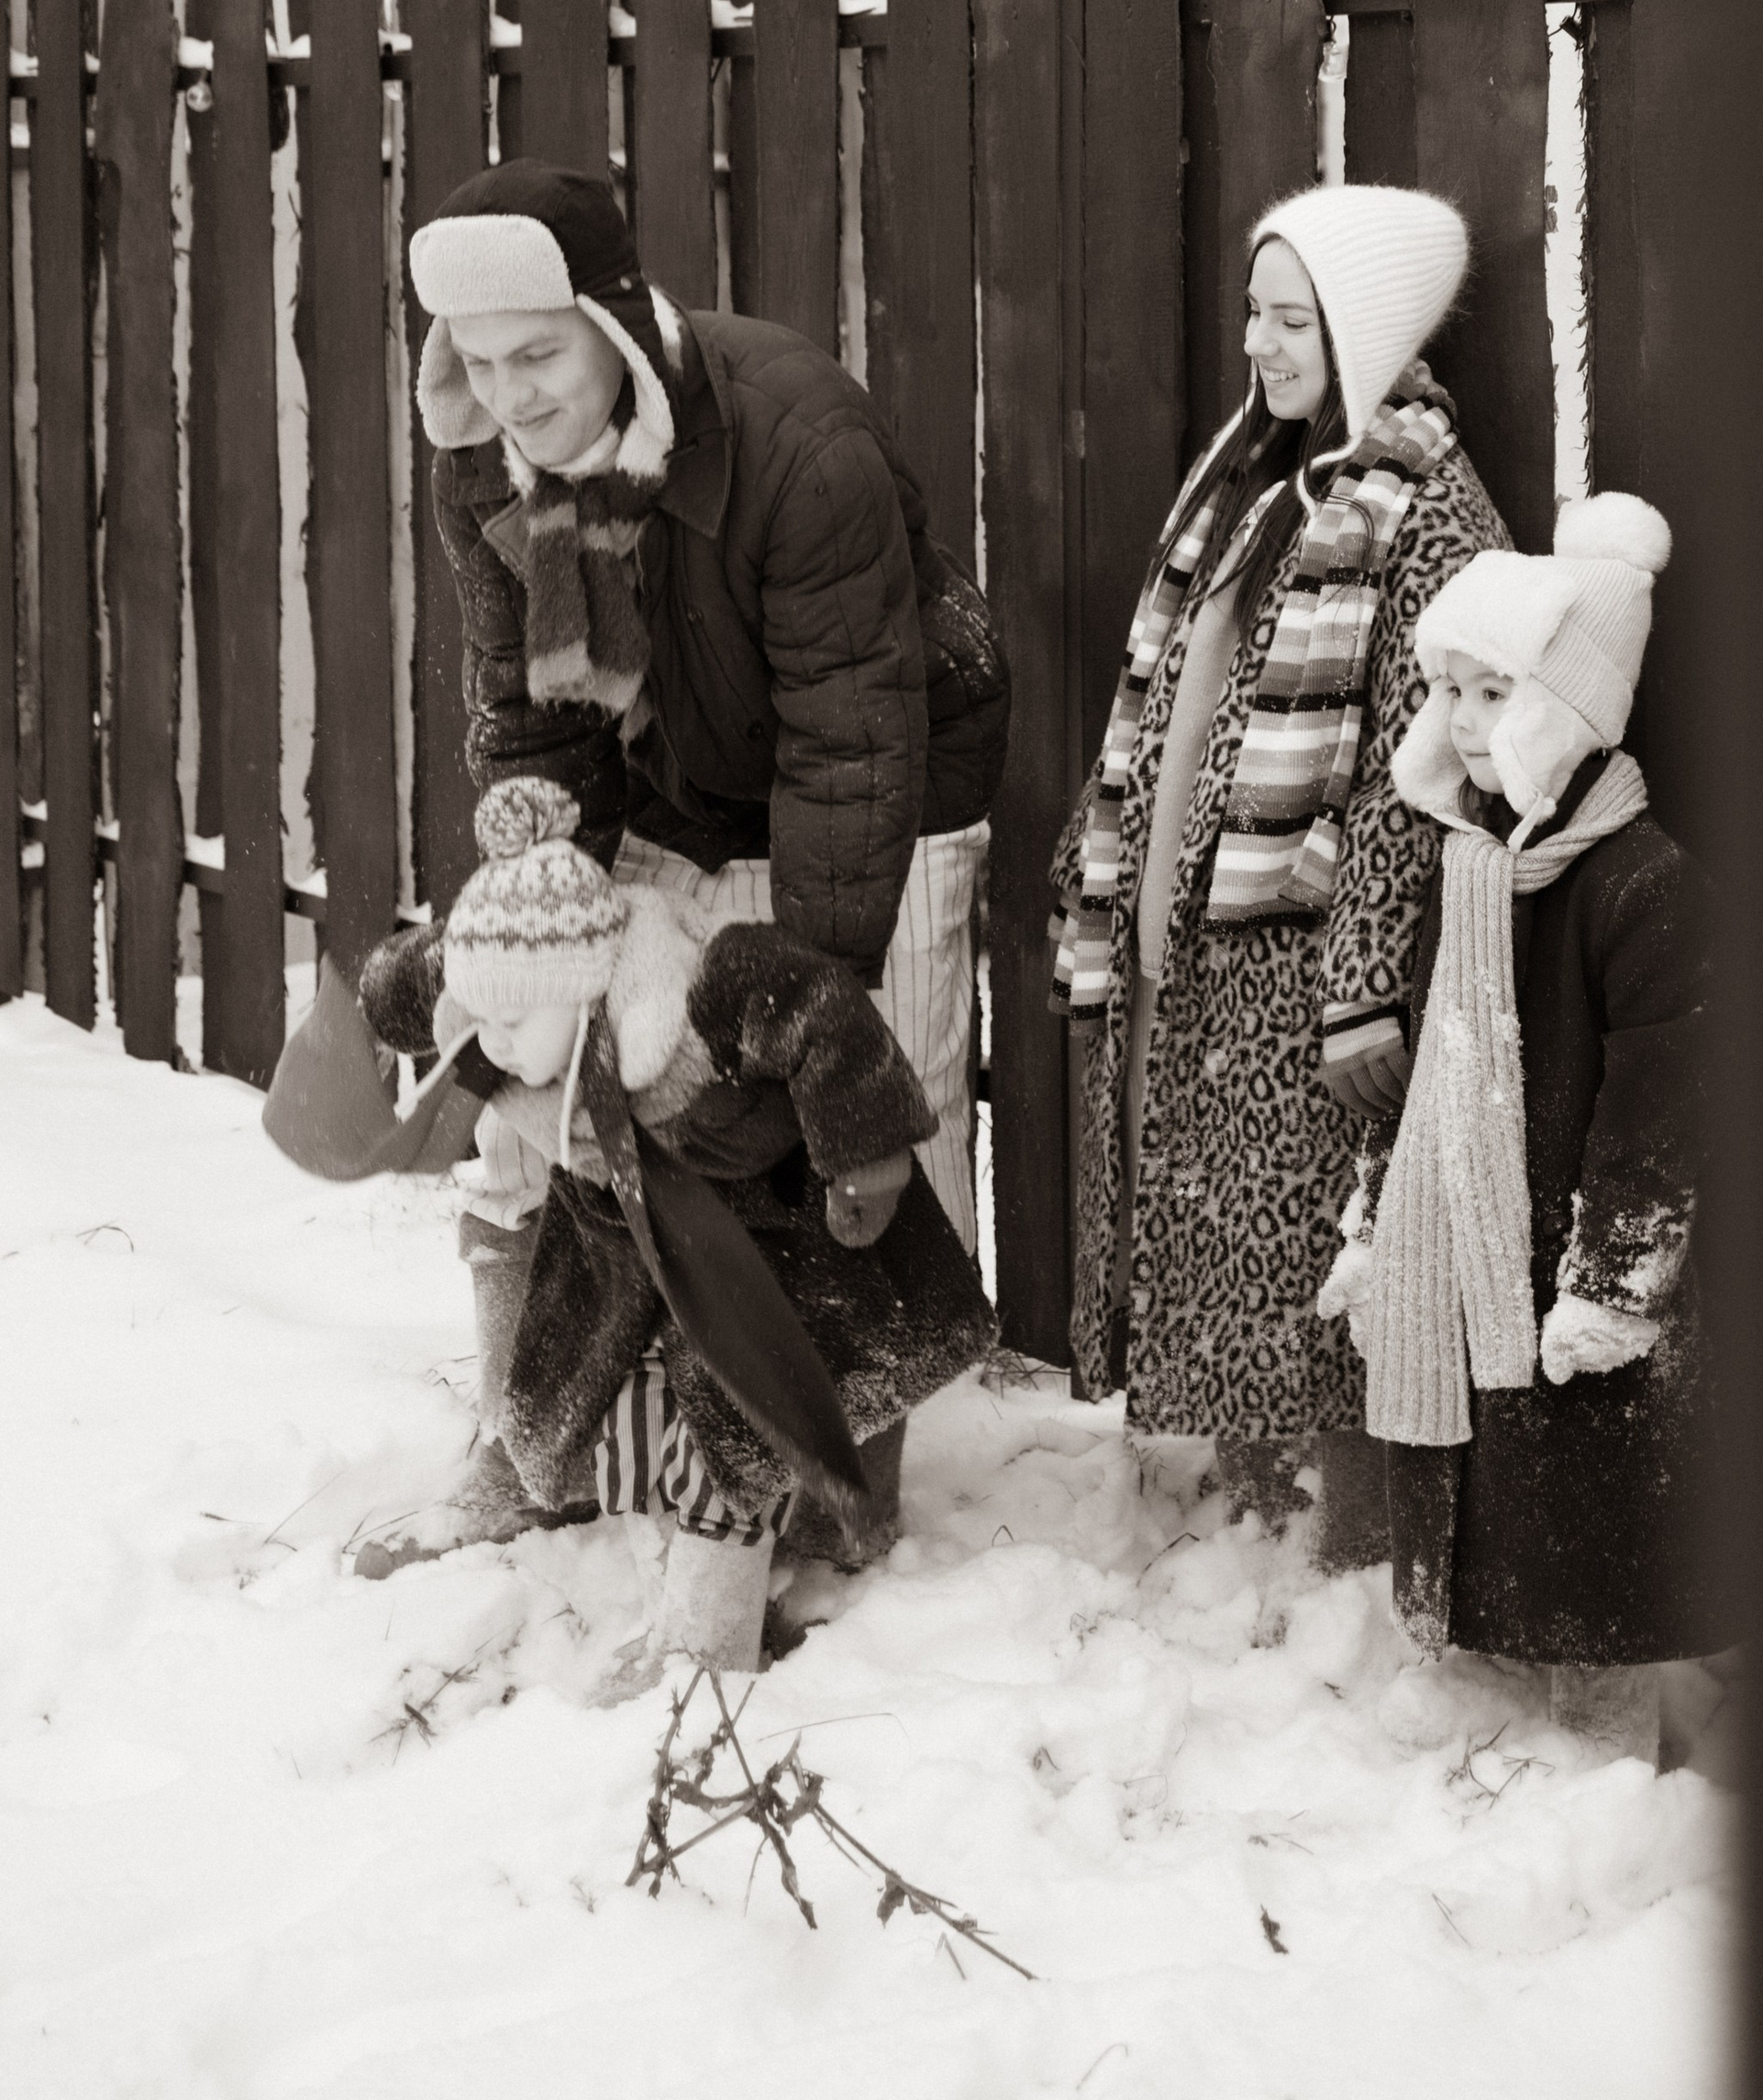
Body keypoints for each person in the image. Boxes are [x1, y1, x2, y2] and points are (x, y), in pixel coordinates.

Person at [377, 155, 1007, 1554]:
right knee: (557, 1091)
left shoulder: (796, 440)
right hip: (678, 780)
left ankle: (839, 1488)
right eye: (478, 360)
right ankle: (534, 1440)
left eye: (538, 354)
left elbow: (849, 739)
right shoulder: (485, 455)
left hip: (884, 781)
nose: (511, 393)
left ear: (610, 323)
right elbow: (530, 709)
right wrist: (547, 909)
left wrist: (813, 1023)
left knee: (864, 1123)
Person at [1048, 184, 1508, 1559]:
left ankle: (1333, 1543)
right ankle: (1254, 1522)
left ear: (1365, 325)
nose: (1257, 342)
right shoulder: (1254, 479)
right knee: (1213, 1236)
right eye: (1254, 311)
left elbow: (1414, 785)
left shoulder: (1429, 518)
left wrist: (1361, 984)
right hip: (1192, 941)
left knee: (1302, 1264)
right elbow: (1167, 687)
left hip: (1296, 969)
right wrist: (1096, 853)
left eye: (1292, 319)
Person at [354, 777, 994, 1671]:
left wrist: (867, 1152)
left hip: (771, 1248)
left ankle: (706, 1642)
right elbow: (430, 978)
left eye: (511, 1022)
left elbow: (817, 1005)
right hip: (628, 1237)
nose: (491, 1043)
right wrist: (380, 1004)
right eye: (480, 1018)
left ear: (582, 990)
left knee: (741, 1430)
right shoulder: (511, 982)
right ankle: (595, 1502)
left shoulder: (702, 994)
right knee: (581, 1393)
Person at [1325, 500, 1724, 1760]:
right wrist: (1374, 1223)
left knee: (1593, 1546)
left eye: (1493, 693)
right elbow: (1431, 1075)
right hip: (1475, 1264)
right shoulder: (1474, 867)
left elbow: (1661, 1107)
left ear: (1566, 706)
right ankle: (1504, 1744)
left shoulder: (1643, 888)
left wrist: (1611, 1285)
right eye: (1449, 691)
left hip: (1576, 1293)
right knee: (1507, 1525)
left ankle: (1606, 1766)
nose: (1460, 721)